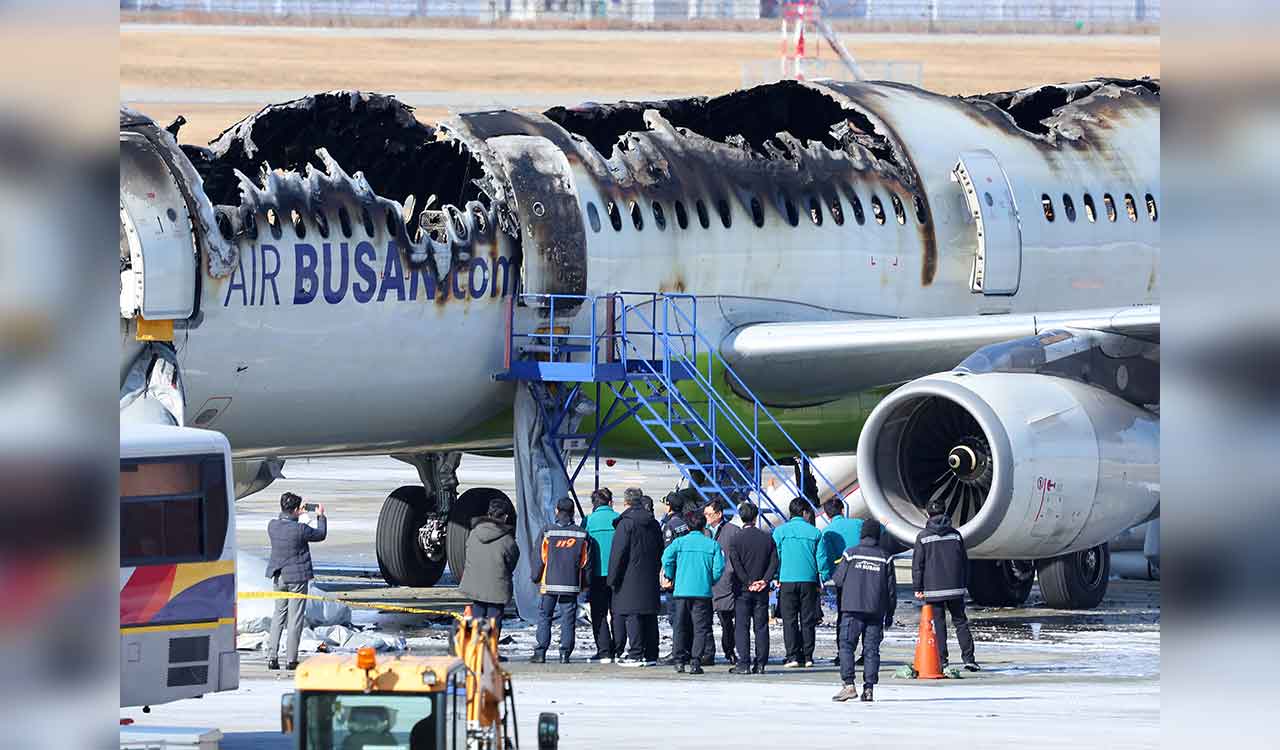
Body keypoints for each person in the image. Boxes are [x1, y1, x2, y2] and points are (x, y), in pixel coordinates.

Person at [831, 519, 897, 703]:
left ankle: (849, 685)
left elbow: (838, 580)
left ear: (862, 534)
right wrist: (890, 613)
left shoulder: (850, 553)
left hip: (852, 609)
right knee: (871, 650)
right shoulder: (886, 556)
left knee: (846, 646)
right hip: (876, 611)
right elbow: (891, 589)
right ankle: (869, 689)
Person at [913, 499, 980, 672]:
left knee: (939, 625)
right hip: (955, 588)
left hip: (933, 590)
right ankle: (969, 658)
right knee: (961, 622)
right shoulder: (956, 535)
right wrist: (964, 583)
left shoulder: (923, 537)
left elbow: (918, 565)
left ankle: (942, 660)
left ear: (928, 514)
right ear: (945, 512)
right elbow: (964, 562)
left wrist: (918, 588)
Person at [265, 491, 327, 670]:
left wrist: (292, 513)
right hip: (297, 578)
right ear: (295, 510)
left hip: (278, 576)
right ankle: (291, 659)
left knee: (278, 616)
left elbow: (282, 520)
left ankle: (272, 656)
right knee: (295, 619)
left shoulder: (273, 526)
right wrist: (320, 516)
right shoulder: (300, 529)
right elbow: (320, 534)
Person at [661, 511, 724, 675]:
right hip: (702, 592)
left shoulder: (679, 543)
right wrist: (710, 580)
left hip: (681, 591)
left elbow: (666, 558)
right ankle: (696, 661)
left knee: (680, 626)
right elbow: (719, 568)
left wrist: (670, 574)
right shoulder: (712, 545)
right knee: (700, 628)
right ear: (704, 526)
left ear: (688, 526)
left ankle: (679, 660)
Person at [772, 497, 832, 668]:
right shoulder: (815, 533)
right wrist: (824, 577)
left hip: (787, 580)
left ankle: (792, 656)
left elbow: (776, 556)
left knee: (789, 620)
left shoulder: (779, 532)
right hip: (809, 581)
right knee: (807, 620)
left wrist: (776, 576)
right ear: (805, 513)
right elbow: (821, 559)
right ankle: (807, 656)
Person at [530, 497, 588, 664]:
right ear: (573, 512)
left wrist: (535, 576)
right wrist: (584, 584)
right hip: (570, 584)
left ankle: (541, 651)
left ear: (557, 511)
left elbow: (540, 557)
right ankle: (564, 653)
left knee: (544, 616)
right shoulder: (581, 534)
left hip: (549, 583)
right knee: (568, 618)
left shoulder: (548, 531)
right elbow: (585, 562)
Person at [608, 490, 664, 667]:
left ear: (626, 502)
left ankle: (635, 653)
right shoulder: (653, 523)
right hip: (649, 574)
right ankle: (651, 653)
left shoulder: (626, 524)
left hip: (629, 575)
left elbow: (618, 553)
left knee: (632, 614)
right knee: (649, 614)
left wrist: (612, 578)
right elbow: (660, 549)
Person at [457, 497, 520, 642]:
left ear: (489, 514)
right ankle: (490, 652)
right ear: (505, 517)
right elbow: (513, 561)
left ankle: (476, 650)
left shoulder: (474, 533)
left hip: (475, 584)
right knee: (494, 619)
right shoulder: (507, 540)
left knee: (477, 615)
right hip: (496, 586)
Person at [727, 501, 779, 675]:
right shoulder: (767, 537)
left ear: (741, 517)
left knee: (741, 627)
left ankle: (744, 663)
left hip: (742, 590)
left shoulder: (735, 539)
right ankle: (761, 663)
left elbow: (736, 564)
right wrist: (764, 581)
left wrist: (748, 582)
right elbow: (774, 562)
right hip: (762, 590)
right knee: (761, 627)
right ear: (756, 517)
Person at [820, 499, 864, 665]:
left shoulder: (827, 532)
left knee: (844, 616)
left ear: (826, 514)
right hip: (864, 575)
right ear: (842, 509)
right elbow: (880, 529)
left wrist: (827, 576)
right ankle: (867, 653)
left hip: (843, 579)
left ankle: (843, 653)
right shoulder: (859, 523)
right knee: (866, 615)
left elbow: (826, 557)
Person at [584, 487, 620, 663]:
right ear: (610, 502)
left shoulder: (589, 521)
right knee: (617, 612)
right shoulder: (619, 519)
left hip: (596, 574)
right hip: (617, 574)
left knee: (599, 613)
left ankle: (604, 650)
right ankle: (619, 648)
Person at [703, 498, 740, 666]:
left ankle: (729, 650)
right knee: (704, 621)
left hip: (725, 582)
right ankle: (708, 653)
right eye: (705, 514)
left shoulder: (732, 531)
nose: (706, 517)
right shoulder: (703, 532)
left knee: (726, 622)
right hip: (705, 582)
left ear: (719, 514)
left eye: (709, 514)